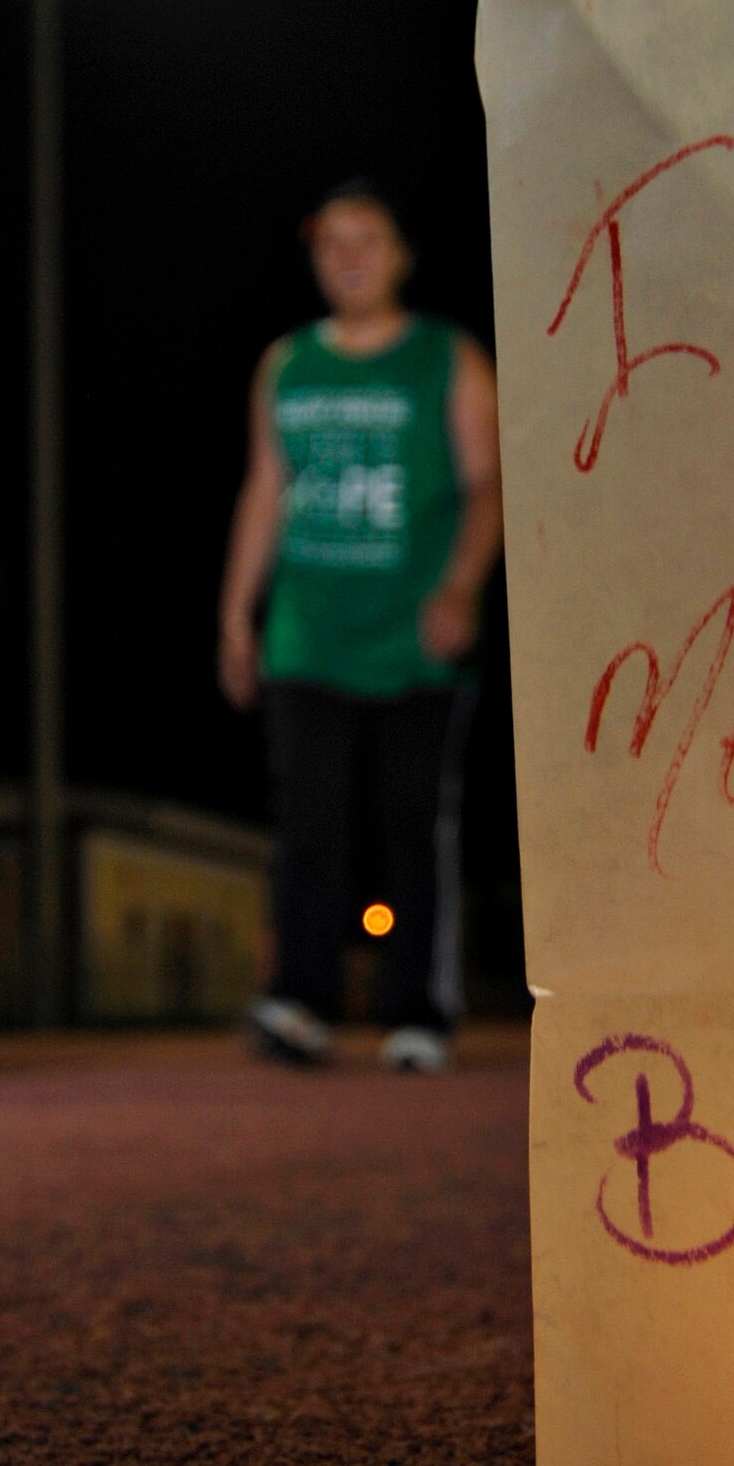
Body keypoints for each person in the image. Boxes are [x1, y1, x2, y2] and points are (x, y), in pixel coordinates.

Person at [218, 181, 502, 1072]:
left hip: (415, 630)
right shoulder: (286, 362)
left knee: (413, 822)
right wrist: (236, 614)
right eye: (332, 242)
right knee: (308, 821)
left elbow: (489, 482)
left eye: (368, 239)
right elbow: (267, 488)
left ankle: (416, 1009)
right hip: (309, 628)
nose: (349, 256)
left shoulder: (447, 359)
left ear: (402, 254)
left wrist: (460, 583)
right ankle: (299, 1000)